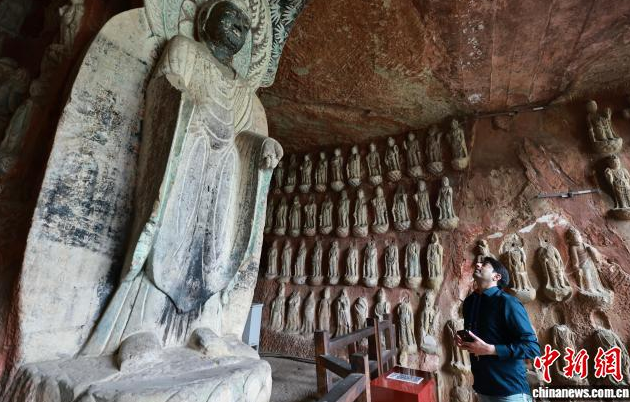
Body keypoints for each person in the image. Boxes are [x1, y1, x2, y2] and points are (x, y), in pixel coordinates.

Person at [456, 257, 540, 402]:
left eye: (484, 264)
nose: (478, 264)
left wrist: (491, 349)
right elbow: (480, 339)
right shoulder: (470, 302)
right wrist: (465, 341)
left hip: (509, 390)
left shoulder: (508, 302)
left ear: (497, 277)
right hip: (482, 388)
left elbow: (532, 348)